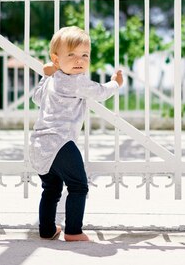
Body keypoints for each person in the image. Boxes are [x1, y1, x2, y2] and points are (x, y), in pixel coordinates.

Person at [30, 26, 123, 242]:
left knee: (51, 189)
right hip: (60, 142)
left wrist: (47, 76)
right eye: (71, 55)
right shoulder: (77, 81)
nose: (79, 60)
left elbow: (36, 98)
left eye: (84, 55)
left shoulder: (52, 81)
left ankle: (47, 230)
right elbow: (100, 92)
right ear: (56, 59)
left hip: (39, 144)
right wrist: (115, 83)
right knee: (78, 185)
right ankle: (73, 231)